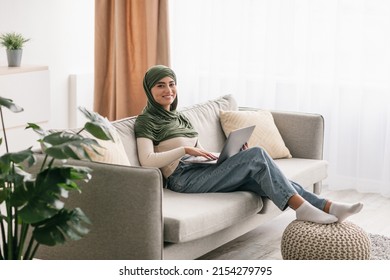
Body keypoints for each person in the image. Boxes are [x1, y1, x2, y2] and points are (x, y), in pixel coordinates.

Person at [134, 65, 363, 224]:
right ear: (149, 89)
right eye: (160, 86)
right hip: (182, 179)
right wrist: (183, 150)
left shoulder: (180, 117)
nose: (168, 90)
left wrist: (227, 155)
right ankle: (303, 209)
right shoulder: (146, 121)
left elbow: (201, 151)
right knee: (257, 155)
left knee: (264, 176)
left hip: (201, 168)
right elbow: (147, 161)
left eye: (172, 84)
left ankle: (328, 206)